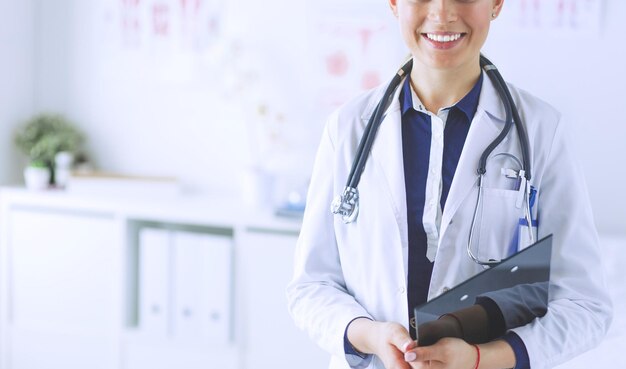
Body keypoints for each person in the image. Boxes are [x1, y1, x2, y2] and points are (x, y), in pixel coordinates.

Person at [287, 0, 612, 368]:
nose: (442, 13)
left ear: (496, 4)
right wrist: (372, 336)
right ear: (394, 3)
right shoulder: (348, 129)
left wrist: (480, 358)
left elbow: (585, 305)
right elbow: (311, 287)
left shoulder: (542, 133)